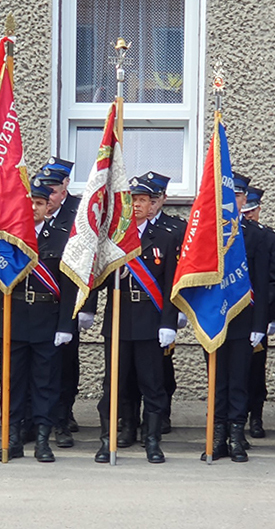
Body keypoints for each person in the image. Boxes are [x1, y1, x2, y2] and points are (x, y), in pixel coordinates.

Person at [93, 174, 179, 464]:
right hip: (118, 320)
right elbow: (97, 279)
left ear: (151, 204)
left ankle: (153, 442)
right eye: (133, 200)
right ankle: (108, 441)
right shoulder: (113, 240)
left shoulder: (164, 239)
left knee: (152, 385)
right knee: (114, 384)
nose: (139, 205)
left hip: (150, 322)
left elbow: (169, 287)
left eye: (143, 200)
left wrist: (169, 322)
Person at [0, 177, 76, 462]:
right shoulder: (8, 239)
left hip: (47, 320)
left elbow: (69, 285)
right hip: (14, 318)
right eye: (30, 203)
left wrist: (66, 325)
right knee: (12, 383)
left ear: (47, 206)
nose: (35, 208)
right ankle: (13, 439)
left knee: (45, 383)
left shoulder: (61, 237)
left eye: (40, 203)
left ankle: (42, 440)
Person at [201, 173, 270, 462]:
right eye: (230, 194)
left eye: (239, 195)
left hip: (244, 318)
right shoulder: (208, 233)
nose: (235, 199)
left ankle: (237, 436)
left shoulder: (258, 236)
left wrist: (260, 324)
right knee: (218, 381)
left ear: (243, 200)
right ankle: (217, 437)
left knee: (239, 380)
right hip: (215, 318)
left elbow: (264, 284)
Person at [36, 159, 82, 445]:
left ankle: (63, 418)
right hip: (37, 307)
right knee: (38, 367)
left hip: (67, 303)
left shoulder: (79, 213)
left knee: (65, 364)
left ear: (64, 187)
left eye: (52, 190)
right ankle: (37, 419)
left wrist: (86, 307)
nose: (48, 196)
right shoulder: (32, 211)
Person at [241, 186, 275, 440]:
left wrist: (271, 316)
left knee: (256, 368)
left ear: (258, 210)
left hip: (258, 313)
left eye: (251, 211)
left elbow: (274, 281)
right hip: (234, 312)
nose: (247, 216)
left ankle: (255, 416)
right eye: (244, 212)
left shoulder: (269, 237)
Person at [145, 171, 185, 435]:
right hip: (136, 309)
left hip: (163, 308)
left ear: (162, 200)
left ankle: (162, 416)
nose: (147, 204)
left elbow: (180, 273)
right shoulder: (128, 228)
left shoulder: (177, 228)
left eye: (153, 198)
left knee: (161, 368)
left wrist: (179, 309)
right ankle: (129, 421)